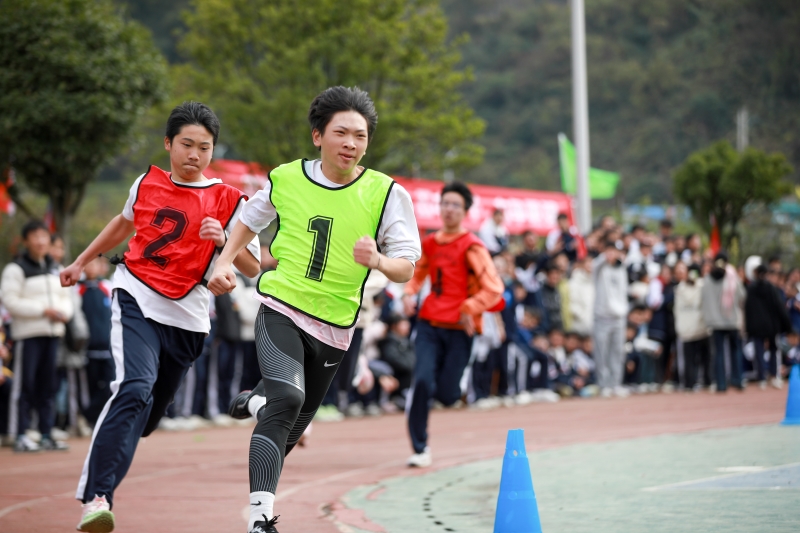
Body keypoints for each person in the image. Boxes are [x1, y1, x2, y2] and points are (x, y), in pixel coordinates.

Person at [208, 86, 420, 533]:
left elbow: (406, 266)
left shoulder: (385, 193)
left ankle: (256, 400)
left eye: (360, 136)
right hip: (281, 305)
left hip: (337, 324)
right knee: (289, 398)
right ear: (317, 136)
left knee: (290, 424)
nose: (351, 143)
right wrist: (225, 262)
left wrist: (379, 260)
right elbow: (248, 220)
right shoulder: (286, 178)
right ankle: (261, 519)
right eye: (341, 133)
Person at [60, 102, 261, 533]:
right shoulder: (146, 183)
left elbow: (251, 267)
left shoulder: (230, 200)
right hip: (137, 296)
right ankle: (98, 497)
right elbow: (123, 223)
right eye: (186, 144)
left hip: (188, 317)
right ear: (168, 144)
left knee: (148, 416)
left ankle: (118, 455)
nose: (194, 155)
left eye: (204, 148)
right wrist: (81, 261)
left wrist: (225, 240)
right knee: (132, 389)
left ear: (213, 151)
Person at [402, 181, 503, 468]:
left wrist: (469, 307)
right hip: (429, 324)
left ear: (466, 211)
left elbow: (494, 288)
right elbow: (417, 272)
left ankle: (446, 389)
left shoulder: (472, 246)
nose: (448, 209)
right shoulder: (431, 242)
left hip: (460, 329)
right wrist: (409, 293)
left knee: (447, 395)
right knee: (421, 381)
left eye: (455, 205)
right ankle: (420, 447)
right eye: (444, 203)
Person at [1, 220, 74, 452]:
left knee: (48, 386)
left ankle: (45, 432)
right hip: (27, 335)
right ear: (25, 241)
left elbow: (67, 298)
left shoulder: (55, 267)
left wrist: (64, 314)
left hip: (53, 333)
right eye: (35, 236)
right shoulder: (16, 268)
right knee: (25, 385)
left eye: (44, 236)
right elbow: (10, 301)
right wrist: (43, 311)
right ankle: (19, 433)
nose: (41, 241)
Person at [701, 252, 745, 392]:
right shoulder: (733, 277)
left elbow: (703, 300)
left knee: (718, 353)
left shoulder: (707, 279)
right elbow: (742, 296)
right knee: (736, 351)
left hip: (715, 322)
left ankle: (721, 384)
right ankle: (737, 380)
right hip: (732, 320)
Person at [592, 241, 630, 398]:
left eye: (614, 251)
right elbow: (596, 264)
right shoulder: (599, 268)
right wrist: (604, 255)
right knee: (602, 353)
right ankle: (603, 385)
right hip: (602, 317)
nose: (612, 254)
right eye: (609, 251)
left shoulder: (621, 269)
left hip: (619, 317)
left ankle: (616, 384)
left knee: (617, 353)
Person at [744, 265, 791, 388]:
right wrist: (787, 326)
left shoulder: (751, 289)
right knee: (774, 350)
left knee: (759, 351)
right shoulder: (771, 289)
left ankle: (761, 378)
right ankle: (774, 375)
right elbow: (780, 307)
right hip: (771, 325)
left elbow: (747, 309)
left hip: (756, 326)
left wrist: (748, 327)